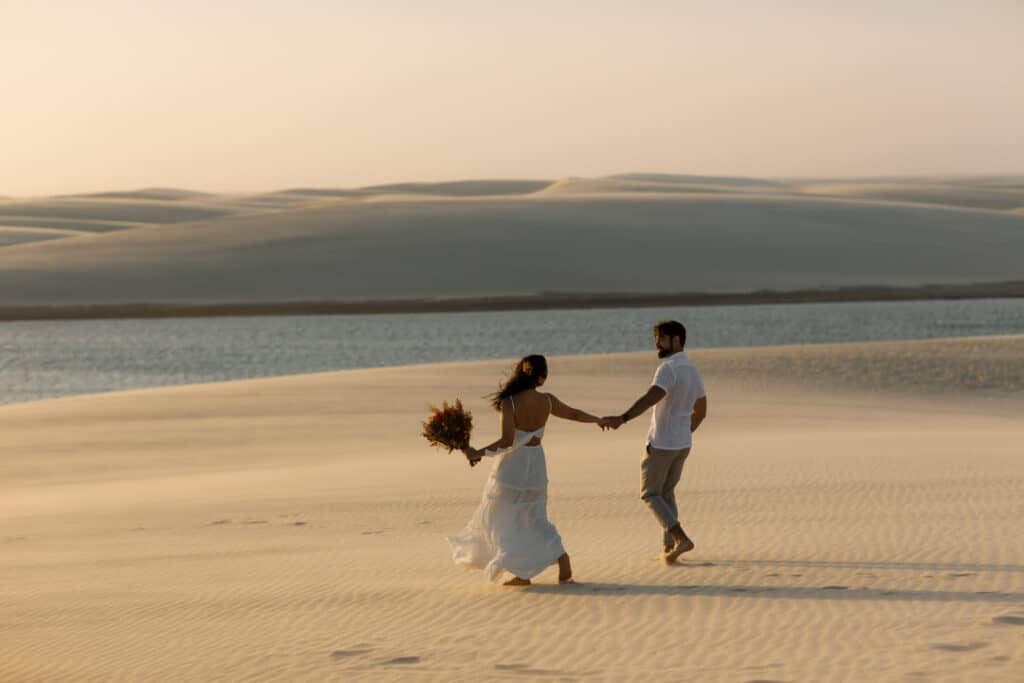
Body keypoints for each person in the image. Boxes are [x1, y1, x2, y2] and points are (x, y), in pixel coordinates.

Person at [448, 354, 602, 586]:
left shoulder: (509, 402)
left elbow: (506, 442)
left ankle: (523, 573)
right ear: (542, 377)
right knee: (536, 517)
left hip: (513, 466)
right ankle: (560, 559)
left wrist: (477, 452)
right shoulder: (547, 401)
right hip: (536, 463)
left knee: (507, 517)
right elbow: (575, 414)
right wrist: (599, 420)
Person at [600, 321, 708, 563]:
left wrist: (622, 418)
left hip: (662, 443)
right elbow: (701, 411)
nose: (657, 343)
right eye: (656, 338)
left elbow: (651, 398)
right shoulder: (692, 370)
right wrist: (684, 432)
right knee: (666, 493)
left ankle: (681, 539)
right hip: (682, 443)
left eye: (661, 338)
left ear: (676, 340)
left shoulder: (668, 368)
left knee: (649, 494)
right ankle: (669, 548)